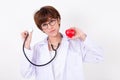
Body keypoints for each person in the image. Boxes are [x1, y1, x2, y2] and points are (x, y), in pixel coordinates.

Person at [21, 5, 103, 80]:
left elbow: (98, 56)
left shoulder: (75, 43)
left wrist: (82, 35)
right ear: (41, 29)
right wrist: (27, 46)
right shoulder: (38, 48)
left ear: (58, 20)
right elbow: (26, 74)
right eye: (45, 25)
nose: (50, 27)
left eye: (52, 21)